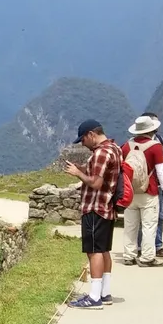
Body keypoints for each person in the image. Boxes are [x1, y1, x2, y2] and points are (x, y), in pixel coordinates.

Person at [64, 120, 120, 309]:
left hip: (95, 207)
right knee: (103, 249)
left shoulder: (101, 153)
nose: (82, 144)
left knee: (94, 250)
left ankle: (94, 297)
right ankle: (105, 292)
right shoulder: (115, 148)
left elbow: (95, 183)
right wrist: (82, 168)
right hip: (107, 208)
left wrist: (76, 174)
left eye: (83, 139)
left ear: (91, 134)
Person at [121, 115, 163, 267]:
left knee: (130, 225)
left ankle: (129, 255)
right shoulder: (155, 146)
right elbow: (161, 171)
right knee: (149, 225)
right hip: (149, 191)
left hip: (130, 191)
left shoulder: (126, 146)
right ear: (152, 129)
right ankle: (147, 257)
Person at [135, 112, 163, 260]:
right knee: (142, 218)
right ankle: (141, 248)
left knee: (160, 217)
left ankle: (158, 246)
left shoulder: (159, 141)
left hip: (155, 184)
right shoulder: (135, 143)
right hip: (143, 185)